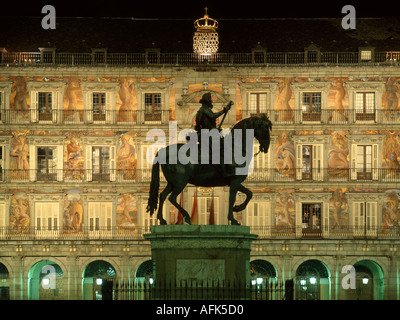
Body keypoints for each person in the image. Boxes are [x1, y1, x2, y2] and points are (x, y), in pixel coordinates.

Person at [194, 92, 233, 177]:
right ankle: (223, 172)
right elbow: (213, 116)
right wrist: (224, 110)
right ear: (207, 100)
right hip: (208, 135)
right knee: (219, 151)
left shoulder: (203, 109)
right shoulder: (204, 109)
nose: (211, 101)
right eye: (210, 99)